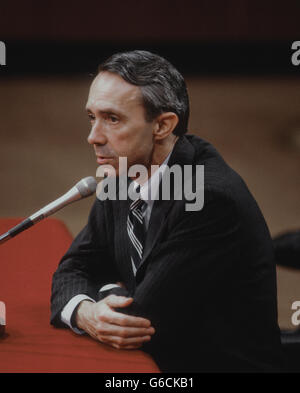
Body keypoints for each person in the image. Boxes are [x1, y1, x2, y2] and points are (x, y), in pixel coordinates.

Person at [50, 50, 283, 372]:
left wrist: (105, 291)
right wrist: (84, 310)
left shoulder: (208, 198)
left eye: (112, 119)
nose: (93, 137)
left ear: (162, 125)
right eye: (92, 117)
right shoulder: (123, 169)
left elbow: (139, 322)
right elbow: (75, 267)